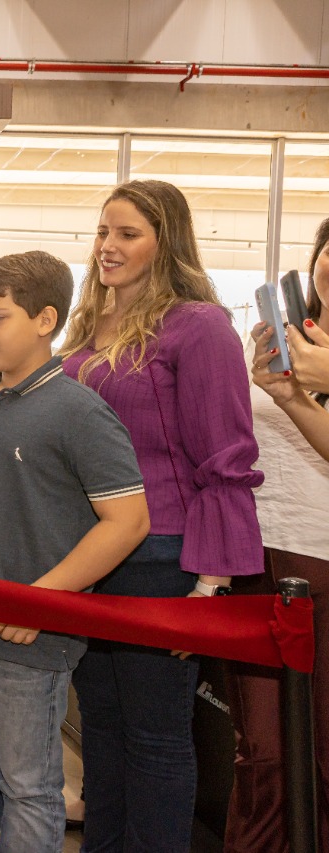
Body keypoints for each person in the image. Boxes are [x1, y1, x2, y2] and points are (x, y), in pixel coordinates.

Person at [0, 250, 150, 853]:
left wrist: (40, 600)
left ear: (45, 320)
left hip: (29, 640)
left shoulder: (80, 412)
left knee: (29, 787)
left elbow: (127, 522)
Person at [59, 179, 263, 853]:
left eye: (127, 233)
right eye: (102, 231)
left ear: (164, 241)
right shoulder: (88, 329)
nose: (107, 247)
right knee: (103, 733)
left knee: (155, 737)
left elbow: (227, 457)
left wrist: (209, 586)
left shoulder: (199, 326)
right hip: (91, 555)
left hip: (161, 557)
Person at [228, 216, 329, 852]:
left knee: (322, 745)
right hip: (257, 550)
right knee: (260, 748)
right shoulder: (289, 335)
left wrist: (304, 394)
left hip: (321, 556)